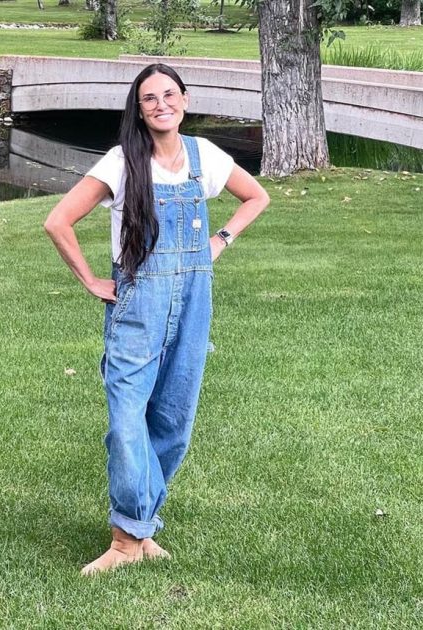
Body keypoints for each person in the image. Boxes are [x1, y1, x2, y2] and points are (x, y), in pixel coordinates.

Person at [44, 63, 270, 576]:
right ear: (139, 109)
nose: (161, 104)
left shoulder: (204, 157)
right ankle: (125, 539)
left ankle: (140, 529)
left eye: (169, 94)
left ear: (185, 100)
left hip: (193, 303)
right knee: (128, 422)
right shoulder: (122, 161)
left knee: (172, 421)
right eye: (149, 98)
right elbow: (58, 221)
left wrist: (220, 240)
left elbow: (257, 196)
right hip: (138, 306)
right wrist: (90, 280)